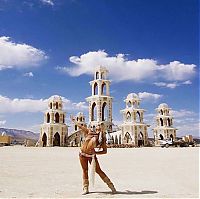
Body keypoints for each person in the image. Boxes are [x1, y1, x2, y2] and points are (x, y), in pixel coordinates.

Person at [71, 116, 117, 195]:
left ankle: (111, 185)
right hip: (82, 155)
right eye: (97, 125)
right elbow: (81, 127)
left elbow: (105, 151)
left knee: (98, 171)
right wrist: (74, 121)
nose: (97, 126)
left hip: (91, 156)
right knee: (85, 171)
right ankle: (86, 188)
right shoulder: (90, 132)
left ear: (103, 128)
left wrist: (96, 153)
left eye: (99, 125)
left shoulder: (102, 139)